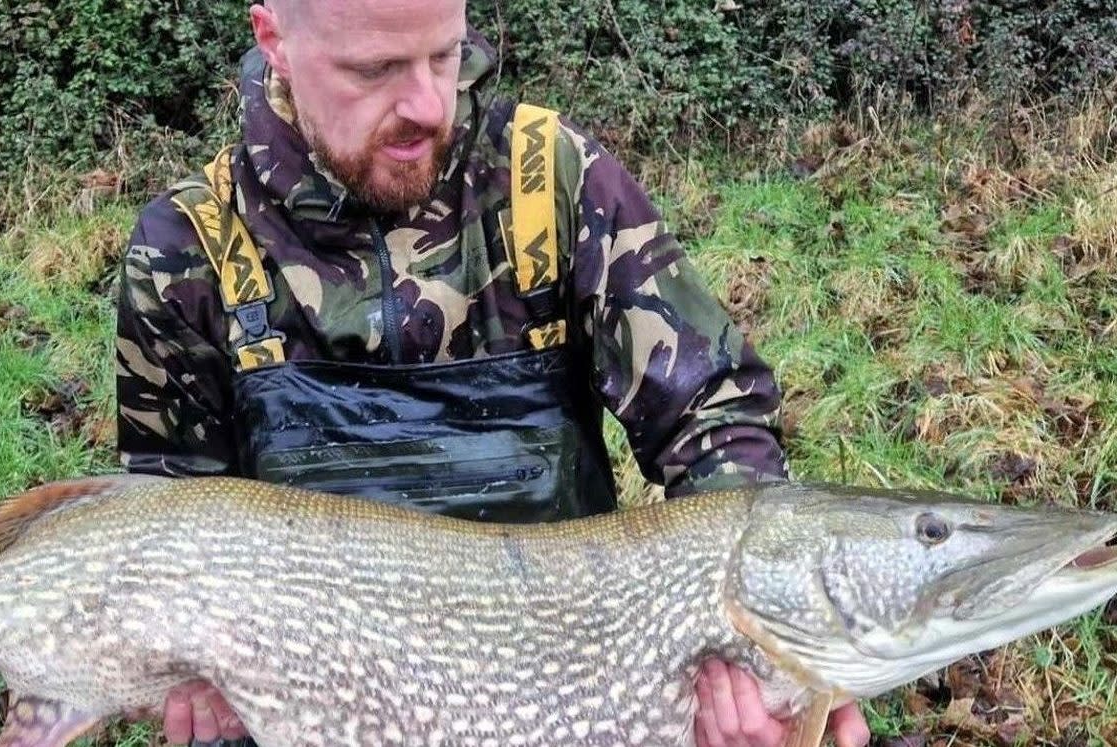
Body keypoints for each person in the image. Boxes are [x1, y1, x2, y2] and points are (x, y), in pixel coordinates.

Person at [114, 1, 871, 745]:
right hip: (303, 703)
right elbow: (165, 520)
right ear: (274, 39)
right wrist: (181, 668)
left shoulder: (550, 178)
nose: (427, 104)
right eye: (374, 69)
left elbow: (713, 413)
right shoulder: (187, 246)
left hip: (570, 694)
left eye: (444, 54)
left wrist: (771, 648)